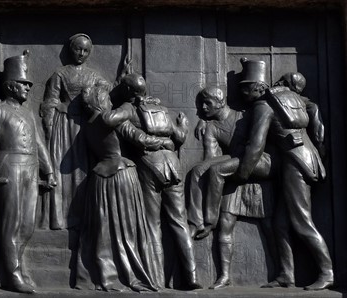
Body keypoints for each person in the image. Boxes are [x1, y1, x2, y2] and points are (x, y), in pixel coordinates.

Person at [235, 58, 332, 290]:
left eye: (244, 87)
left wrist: (241, 174)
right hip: (308, 162)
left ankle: (327, 272)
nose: (241, 93)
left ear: (255, 87)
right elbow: (317, 134)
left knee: (301, 221)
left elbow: (256, 146)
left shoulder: (264, 105)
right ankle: (286, 275)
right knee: (281, 224)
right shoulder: (296, 100)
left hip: (295, 164)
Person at [0, 50, 56, 293]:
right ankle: (12, 275)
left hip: (31, 168)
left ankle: (11, 271)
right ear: (11, 86)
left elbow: (40, 144)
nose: (28, 88)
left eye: (28, 84)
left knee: (27, 225)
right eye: (24, 84)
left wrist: (50, 171)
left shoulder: (28, 113)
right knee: (11, 223)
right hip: (9, 166)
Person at [116, 73, 201, 290]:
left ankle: (156, 279)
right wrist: (183, 126)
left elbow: (128, 132)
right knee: (180, 222)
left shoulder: (129, 109)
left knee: (152, 224)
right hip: (173, 165)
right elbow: (180, 137)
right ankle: (191, 276)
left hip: (150, 165)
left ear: (127, 91)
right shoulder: (161, 109)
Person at [187, 86, 276, 289]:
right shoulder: (210, 128)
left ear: (220, 102)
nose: (203, 107)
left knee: (270, 226)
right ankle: (224, 276)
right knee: (225, 224)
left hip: (256, 174)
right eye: (201, 103)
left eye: (207, 103)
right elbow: (211, 159)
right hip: (232, 175)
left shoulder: (245, 115)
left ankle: (284, 272)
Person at [74, 83, 158, 292]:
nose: (111, 102)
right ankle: (129, 274)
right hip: (121, 176)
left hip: (100, 180)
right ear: (100, 102)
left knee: (103, 230)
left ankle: (103, 274)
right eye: (107, 99)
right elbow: (141, 139)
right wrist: (164, 141)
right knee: (126, 229)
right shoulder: (114, 122)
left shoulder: (87, 128)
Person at [40, 33, 110, 230]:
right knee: (63, 170)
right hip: (64, 127)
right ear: (71, 50)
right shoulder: (60, 74)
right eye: (78, 49)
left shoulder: (94, 76)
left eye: (86, 50)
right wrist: (49, 124)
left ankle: (84, 217)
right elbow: (50, 100)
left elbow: (107, 93)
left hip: (86, 126)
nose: (81, 53)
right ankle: (60, 218)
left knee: (83, 170)